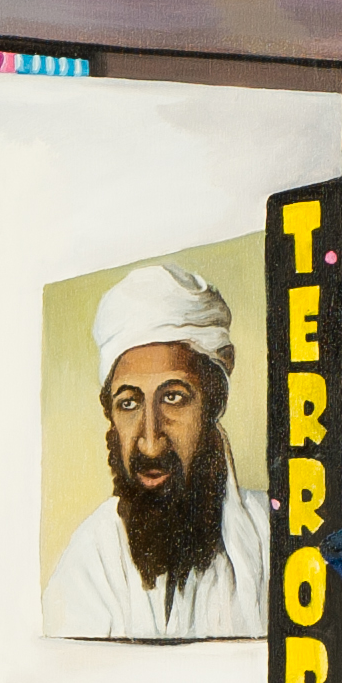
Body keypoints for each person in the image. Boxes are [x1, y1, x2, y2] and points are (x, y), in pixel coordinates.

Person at [41, 262, 269, 641]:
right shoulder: (91, 561)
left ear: (213, 403)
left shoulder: (275, 540)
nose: (150, 440)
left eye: (173, 397)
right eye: (129, 403)